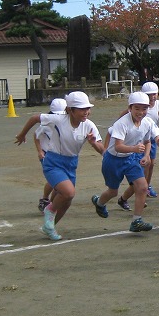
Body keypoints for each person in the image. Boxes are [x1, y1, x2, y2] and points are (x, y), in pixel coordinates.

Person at [15, 91, 104, 241]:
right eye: (82, 109)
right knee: (69, 192)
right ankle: (49, 210)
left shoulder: (89, 126)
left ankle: (49, 227)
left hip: (71, 164)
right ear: (70, 110)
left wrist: (94, 143)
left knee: (66, 201)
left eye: (87, 108)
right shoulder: (58, 119)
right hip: (53, 162)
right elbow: (34, 118)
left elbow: (102, 150)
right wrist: (22, 134)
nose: (86, 112)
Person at [92, 91, 159, 233]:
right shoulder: (122, 123)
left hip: (130, 159)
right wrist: (134, 148)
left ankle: (137, 221)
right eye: (137, 108)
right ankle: (99, 202)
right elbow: (118, 146)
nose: (141, 112)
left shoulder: (147, 123)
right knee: (113, 191)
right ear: (130, 108)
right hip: (113, 160)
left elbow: (147, 141)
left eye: (144, 108)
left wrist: (146, 156)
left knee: (142, 187)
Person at [34, 97, 66, 212]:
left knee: (59, 181)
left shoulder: (67, 122)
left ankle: (50, 202)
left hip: (61, 156)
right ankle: (47, 200)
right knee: (55, 181)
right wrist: (40, 151)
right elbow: (36, 136)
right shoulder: (46, 124)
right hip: (47, 155)